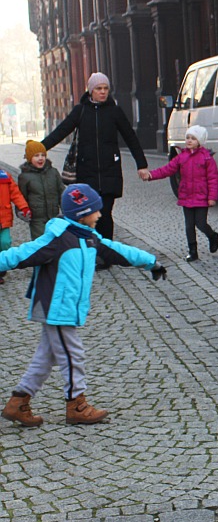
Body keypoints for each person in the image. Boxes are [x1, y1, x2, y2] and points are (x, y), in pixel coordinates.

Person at [0, 184, 167, 428]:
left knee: (45, 358)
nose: (99, 215)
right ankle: (77, 405)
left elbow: (119, 251)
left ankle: (18, 403)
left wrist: (150, 262)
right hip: (55, 310)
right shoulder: (57, 239)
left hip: (66, 309)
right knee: (72, 354)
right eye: (95, 211)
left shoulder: (90, 238)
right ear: (81, 213)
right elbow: (19, 254)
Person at [41, 72, 150, 247]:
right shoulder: (81, 111)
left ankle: (105, 252)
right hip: (87, 172)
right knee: (91, 213)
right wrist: (39, 148)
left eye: (106, 88)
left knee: (105, 213)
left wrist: (141, 165)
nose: (103, 92)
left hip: (110, 171)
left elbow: (131, 137)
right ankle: (94, 250)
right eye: (99, 88)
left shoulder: (114, 111)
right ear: (91, 90)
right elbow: (61, 131)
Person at [141, 125, 218, 262]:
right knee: (189, 225)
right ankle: (192, 251)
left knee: (200, 223)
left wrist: (212, 197)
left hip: (202, 196)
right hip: (187, 196)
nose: (189, 141)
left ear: (200, 141)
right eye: (187, 138)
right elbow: (167, 169)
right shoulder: (181, 157)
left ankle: (212, 236)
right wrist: (151, 175)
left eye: (193, 138)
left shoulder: (207, 158)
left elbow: (213, 179)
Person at [17, 140, 63, 240]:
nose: (40, 158)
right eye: (36, 155)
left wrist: (65, 208)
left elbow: (61, 191)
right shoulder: (24, 177)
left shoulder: (53, 172)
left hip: (54, 216)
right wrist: (22, 210)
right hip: (37, 219)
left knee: (56, 242)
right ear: (29, 158)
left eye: (43, 155)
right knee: (41, 244)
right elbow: (20, 197)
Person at [0, 166, 31, 285]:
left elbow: (15, 194)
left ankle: (2, 268)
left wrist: (23, 207)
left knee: (5, 242)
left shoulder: (5, 176)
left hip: (4, 219)